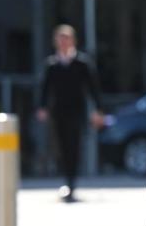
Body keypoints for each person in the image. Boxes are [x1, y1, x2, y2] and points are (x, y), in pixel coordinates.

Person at [35, 24, 104, 202]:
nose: (63, 42)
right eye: (60, 38)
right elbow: (45, 88)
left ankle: (71, 183)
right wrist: (42, 108)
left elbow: (93, 88)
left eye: (66, 38)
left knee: (74, 145)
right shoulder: (52, 65)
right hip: (58, 112)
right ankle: (67, 181)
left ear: (73, 41)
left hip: (77, 112)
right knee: (61, 147)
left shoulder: (82, 63)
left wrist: (98, 110)